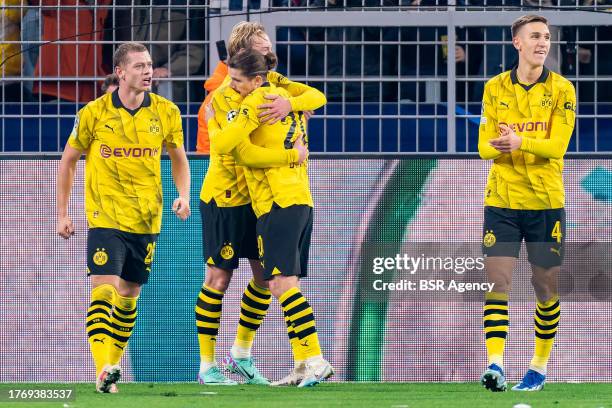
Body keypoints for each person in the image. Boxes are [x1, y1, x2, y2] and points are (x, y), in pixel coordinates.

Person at [56, 42, 191, 393]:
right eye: (140, 66)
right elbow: (68, 160)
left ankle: (111, 368)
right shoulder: (93, 113)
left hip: (146, 218)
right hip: (105, 216)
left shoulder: (166, 112)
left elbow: (179, 157)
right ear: (120, 72)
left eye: (149, 65)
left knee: (130, 296)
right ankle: (102, 368)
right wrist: (63, 213)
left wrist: (184, 195)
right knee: (104, 290)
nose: (148, 71)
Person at [196, 21, 324, 386]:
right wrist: (289, 155)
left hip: (261, 197)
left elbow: (315, 96)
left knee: (265, 278)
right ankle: (207, 366)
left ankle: (241, 353)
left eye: (269, 47)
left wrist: (290, 104)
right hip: (227, 195)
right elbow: (230, 148)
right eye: (263, 46)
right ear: (245, 52)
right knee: (218, 278)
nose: (271, 51)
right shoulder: (224, 94)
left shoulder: (273, 83)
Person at [478, 15, 576, 392]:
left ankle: (537, 367)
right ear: (517, 43)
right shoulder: (494, 88)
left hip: (546, 202)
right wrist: (500, 146)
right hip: (501, 201)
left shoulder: (563, 90)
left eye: (547, 37)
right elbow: (483, 146)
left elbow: (557, 147)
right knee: (497, 282)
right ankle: (495, 365)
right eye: (535, 36)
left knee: (544, 286)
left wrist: (520, 142)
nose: (543, 42)